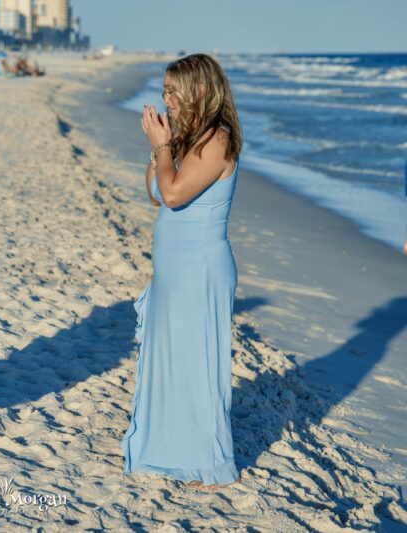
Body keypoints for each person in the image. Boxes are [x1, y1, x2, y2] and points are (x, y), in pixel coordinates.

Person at [122, 54, 243, 488]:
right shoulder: (187, 139)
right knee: (169, 360)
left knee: (195, 365)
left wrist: (160, 146)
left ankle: (208, 464)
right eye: (165, 90)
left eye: (174, 91)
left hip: (200, 268)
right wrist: (165, 144)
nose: (166, 99)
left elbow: (172, 195)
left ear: (198, 91)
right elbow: (156, 193)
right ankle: (167, 449)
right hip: (173, 267)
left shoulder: (218, 140)